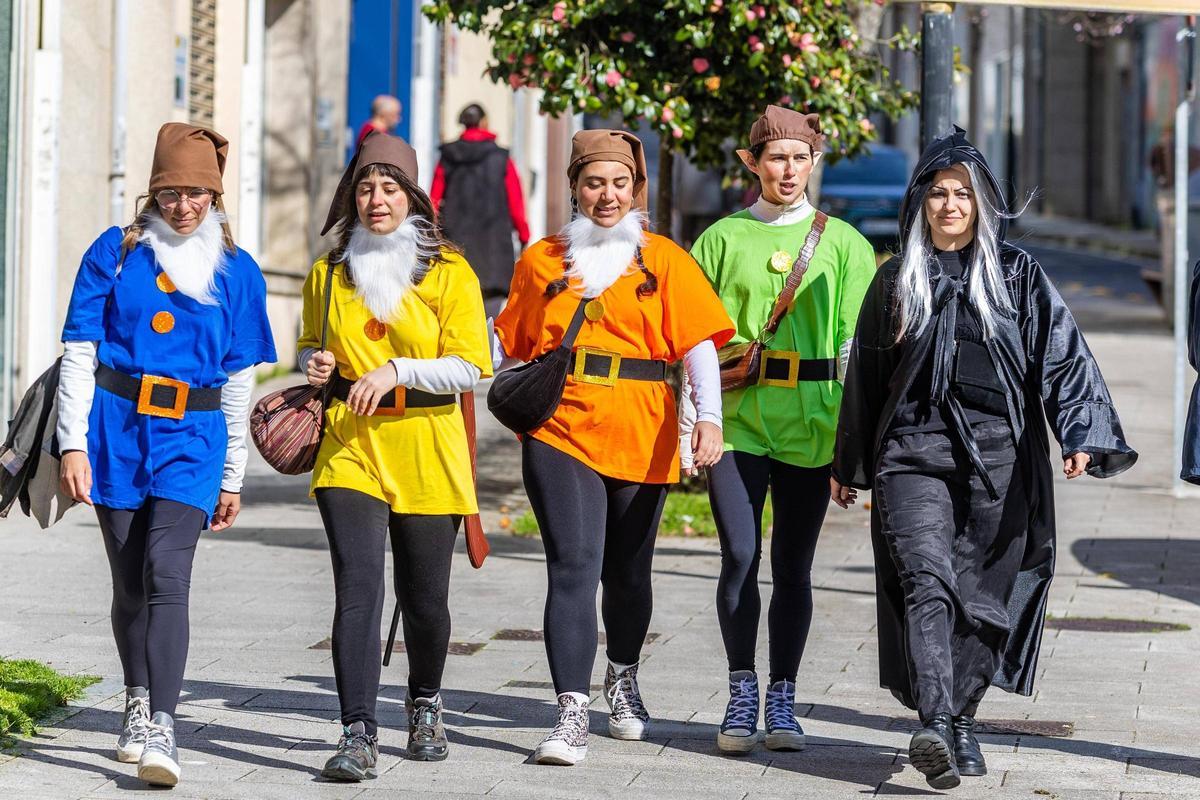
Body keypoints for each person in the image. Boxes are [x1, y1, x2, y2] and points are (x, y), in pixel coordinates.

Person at [831, 127, 1137, 789]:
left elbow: (1062, 358)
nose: (949, 206)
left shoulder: (1019, 277)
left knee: (983, 599)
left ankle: (962, 718)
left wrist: (1079, 434)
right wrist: (849, 465)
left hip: (999, 462)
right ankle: (936, 723)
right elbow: (867, 379)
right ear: (920, 204)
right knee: (927, 579)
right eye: (938, 194)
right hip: (912, 456)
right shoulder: (894, 282)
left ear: (982, 204)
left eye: (961, 195)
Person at [493, 129, 734, 766]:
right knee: (573, 565)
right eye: (594, 182)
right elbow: (509, 347)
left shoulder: (665, 260)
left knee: (627, 572)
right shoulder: (541, 259)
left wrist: (708, 419)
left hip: (643, 428)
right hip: (560, 428)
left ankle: (622, 678)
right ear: (574, 187)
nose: (607, 195)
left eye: (619, 184)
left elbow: (700, 347)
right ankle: (571, 712)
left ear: (636, 189)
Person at [56, 123, 277, 787]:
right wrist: (71, 441)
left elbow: (240, 379)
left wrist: (234, 473)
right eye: (171, 193)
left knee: (167, 573)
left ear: (215, 199)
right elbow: (79, 350)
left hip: (194, 439)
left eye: (197, 195)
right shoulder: (114, 254)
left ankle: (164, 726)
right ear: (152, 194)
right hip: (115, 433)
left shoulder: (236, 271)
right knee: (130, 584)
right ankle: (135, 697)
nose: (183, 206)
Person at [684, 105, 877, 754]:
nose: (788, 170)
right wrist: (694, 422)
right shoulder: (720, 239)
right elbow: (692, 342)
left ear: (814, 163)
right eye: (775, 158)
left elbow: (857, 349)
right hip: (737, 422)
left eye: (800, 158)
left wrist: (853, 450)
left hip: (815, 422)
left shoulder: (846, 245)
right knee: (740, 555)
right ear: (752, 164)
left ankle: (783, 697)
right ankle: (742, 690)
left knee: (794, 565)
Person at [299, 131, 492, 780]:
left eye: (389, 188)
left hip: (428, 446)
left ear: (412, 197)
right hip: (350, 445)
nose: (375, 200)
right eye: (364, 188)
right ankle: (357, 731)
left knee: (425, 601)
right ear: (350, 197)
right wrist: (316, 364)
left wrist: (400, 371)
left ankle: (425, 700)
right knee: (358, 589)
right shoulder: (329, 272)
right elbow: (309, 349)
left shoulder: (449, 272)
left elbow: (471, 367)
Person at [430, 103, 531, 317]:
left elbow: (433, 201)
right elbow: (516, 201)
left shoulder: (448, 156)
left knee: (456, 302)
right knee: (490, 309)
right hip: (494, 243)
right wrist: (523, 235)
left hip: (456, 242)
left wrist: (432, 233)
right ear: (484, 122)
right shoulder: (501, 158)